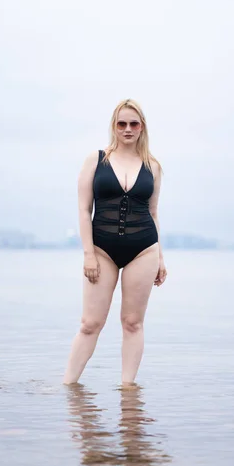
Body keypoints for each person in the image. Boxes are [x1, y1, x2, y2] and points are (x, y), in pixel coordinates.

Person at [63, 98, 167, 385]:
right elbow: (84, 210)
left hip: (144, 249)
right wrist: (88, 254)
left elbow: (153, 212)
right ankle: (68, 388)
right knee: (90, 324)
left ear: (142, 127)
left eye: (134, 123)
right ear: (114, 126)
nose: (128, 129)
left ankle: (128, 391)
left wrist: (160, 258)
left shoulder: (153, 167)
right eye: (122, 123)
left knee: (132, 323)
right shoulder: (96, 160)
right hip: (101, 249)